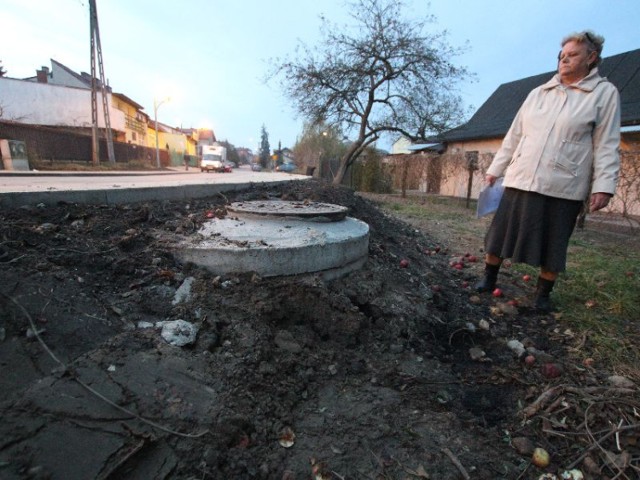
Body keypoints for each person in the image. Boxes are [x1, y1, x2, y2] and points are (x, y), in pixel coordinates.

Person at [475, 30, 621, 312]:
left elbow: (607, 143)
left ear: (591, 58)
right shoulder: (538, 93)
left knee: (553, 243)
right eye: (562, 55)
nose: (564, 59)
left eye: (573, 55)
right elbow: (514, 135)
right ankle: (488, 277)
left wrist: (604, 185)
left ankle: (542, 295)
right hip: (521, 177)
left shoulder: (604, 94)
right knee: (499, 234)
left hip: (563, 183)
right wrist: (496, 169)